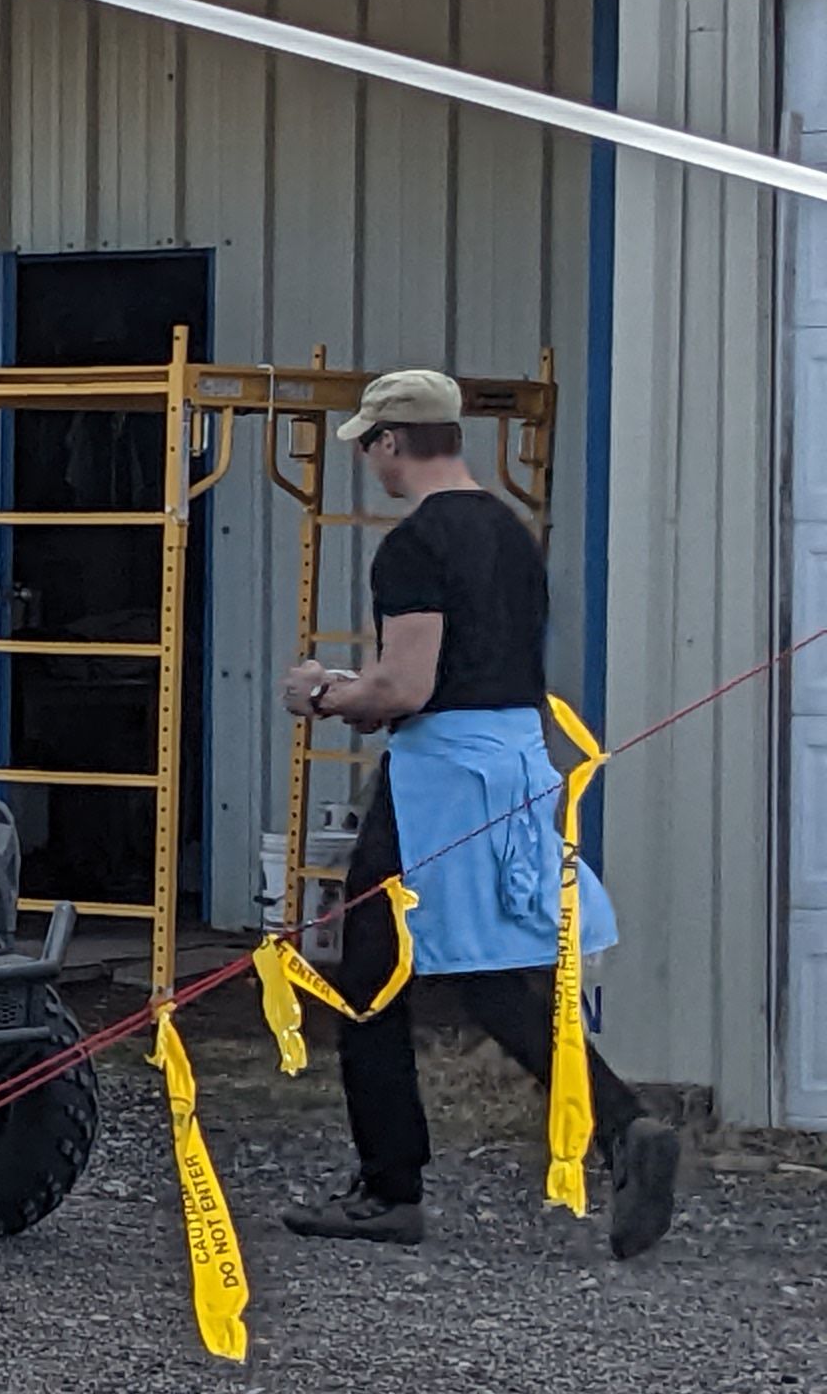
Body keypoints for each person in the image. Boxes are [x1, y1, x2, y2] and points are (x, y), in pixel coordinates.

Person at [277, 370, 679, 1255]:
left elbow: (404, 687)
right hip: (517, 760)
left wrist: (320, 691)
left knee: (371, 973)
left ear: (389, 443)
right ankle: (623, 1126)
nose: (371, 462)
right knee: (493, 974)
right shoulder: (509, 530)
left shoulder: (414, 546)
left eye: (369, 446)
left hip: (439, 780)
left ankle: (389, 1189)